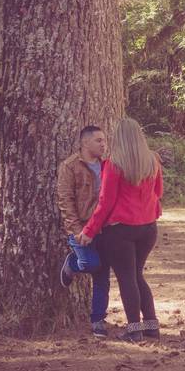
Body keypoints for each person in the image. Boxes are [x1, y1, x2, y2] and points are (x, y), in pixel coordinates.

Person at [77, 118, 163, 342]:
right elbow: (159, 192)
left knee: (127, 279)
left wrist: (89, 230)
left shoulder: (115, 164)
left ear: (119, 137)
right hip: (148, 228)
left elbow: (105, 202)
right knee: (137, 275)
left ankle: (135, 330)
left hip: (121, 231)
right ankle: (151, 326)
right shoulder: (153, 161)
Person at [56, 125, 112, 339]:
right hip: (81, 228)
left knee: (102, 277)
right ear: (85, 142)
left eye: (104, 140)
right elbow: (65, 199)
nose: (103, 144)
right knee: (90, 264)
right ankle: (71, 263)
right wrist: (77, 229)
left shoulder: (108, 166)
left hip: (104, 229)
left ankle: (98, 320)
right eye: (98, 140)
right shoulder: (70, 166)